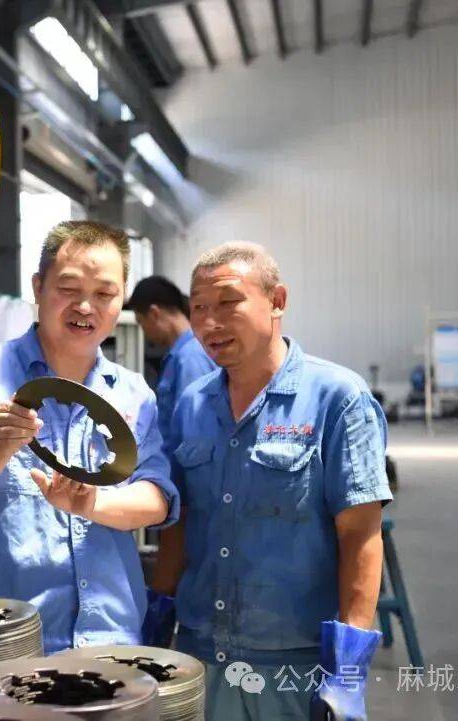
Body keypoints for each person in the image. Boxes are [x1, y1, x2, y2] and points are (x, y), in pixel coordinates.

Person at [0, 220, 180, 653]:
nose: (86, 306)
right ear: (38, 288)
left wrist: (92, 504)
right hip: (9, 641)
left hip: (112, 640)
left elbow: (157, 499)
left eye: (105, 293)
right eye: (69, 288)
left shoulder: (134, 393)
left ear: (121, 300)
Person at [164, 242, 392, 721]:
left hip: (295, 668)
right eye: (199, 308)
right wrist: (158, 620)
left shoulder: (337, 399)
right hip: (202, 660)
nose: (210, 322)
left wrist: (347, 670)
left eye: (228, 302)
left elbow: (360, 536)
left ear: (277, 301)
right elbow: (180, 525)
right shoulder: (192, 405)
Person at [124, 276, 216, 620]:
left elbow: (195, 433)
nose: (146, 333)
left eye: (142, 323)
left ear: (155, 313)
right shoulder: (184, 354)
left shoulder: (190, 357)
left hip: (186, 486)